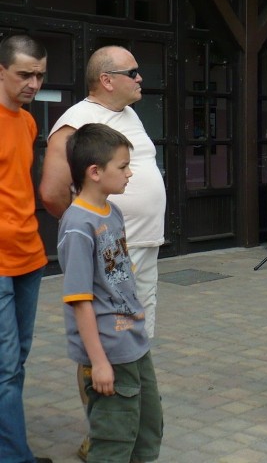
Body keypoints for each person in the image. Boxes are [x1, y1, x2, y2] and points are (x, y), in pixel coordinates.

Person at [41, 46, 166, 340]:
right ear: (107, 80)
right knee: (110, 332)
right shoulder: (77, 119)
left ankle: (137, 386)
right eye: (132, 72)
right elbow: (51, 192)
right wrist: (92, 231)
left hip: (144, 243)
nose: (140, 78)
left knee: (140, 328)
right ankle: (107, 384)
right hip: (111, 252)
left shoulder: (129, 115)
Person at [57, 123, 163, 463]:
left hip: (133, 344)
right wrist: (99, 362)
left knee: (148, 429)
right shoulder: (78, 225)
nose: (129, 173)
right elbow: (80, 299)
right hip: (109, 353)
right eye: (122, 166)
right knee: (114, 439)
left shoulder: (112, 212)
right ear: (95, 172)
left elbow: (116, 275)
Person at [0, 34, 53, 463]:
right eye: (24, 75)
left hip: (30, 256)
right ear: (0, 70)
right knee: (3, 368)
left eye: (39, 75)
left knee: (15, 362)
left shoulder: (28, 121)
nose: (33, 83)